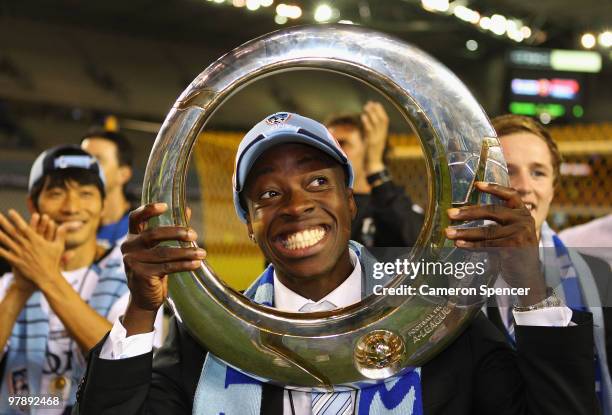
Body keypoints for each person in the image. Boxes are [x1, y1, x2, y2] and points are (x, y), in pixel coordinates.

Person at [74, 113, 596, 414]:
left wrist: (530, 285)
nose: (296, 205)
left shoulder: (435, 315)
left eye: (318, 182)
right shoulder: (212, 337)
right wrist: (141, 311)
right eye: (269, 194)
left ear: (351, 202)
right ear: (250, 225)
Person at [0, 146, 161, 415]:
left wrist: (48, 277)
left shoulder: (132, 277)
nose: (72, 207)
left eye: (86, 194)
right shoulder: (9, 284)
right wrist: (20, 289)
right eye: (56, 193)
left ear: (102, 205)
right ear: (32, 204)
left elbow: (126, 367)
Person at [492, 114, 612, 413]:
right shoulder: (446, 275)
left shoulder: (597, 275)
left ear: (553, 188)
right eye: (508, 171)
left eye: (538, 173)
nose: (523, 186)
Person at [326, 102, 423, 249]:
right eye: (326, 145)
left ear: (370, 149)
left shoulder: (395, 205)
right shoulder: (323, 208)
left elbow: (415, 246)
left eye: (342, 143)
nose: (331, 152)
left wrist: (374, 166)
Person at [81, 128, 133, 249]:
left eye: (97, 160)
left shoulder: (143, 230)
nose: (86, 167)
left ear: (123, 174)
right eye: (83, 159)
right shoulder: (68, 227)